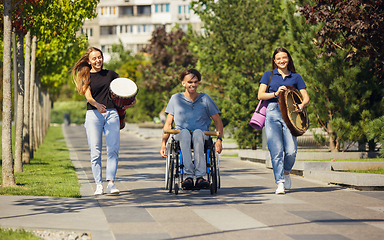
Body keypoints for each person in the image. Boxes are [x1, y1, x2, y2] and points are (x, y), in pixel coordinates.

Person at [72, 47, 135, 195]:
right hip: (93, 115)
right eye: (94, 58)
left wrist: (130, 100)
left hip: (112, 113)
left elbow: (123, 89)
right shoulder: (85, 75)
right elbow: (88, 96)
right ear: (89, 61)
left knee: (113, 149)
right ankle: (98, 185)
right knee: (95, 152)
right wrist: (97, 105)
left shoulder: (111, 74)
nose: (97, 60)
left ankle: (111, 183)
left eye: (99, 57)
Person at [160, 69, 224, 190]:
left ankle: (200, 176)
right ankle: (188, 176)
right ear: (183, 83)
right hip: (181, 135)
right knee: (184, 133)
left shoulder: (205, 99)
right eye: (190, 82)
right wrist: (163, 143)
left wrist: (219, 140)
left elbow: (218, 122)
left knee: (197, 133)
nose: (193, 85)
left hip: (202, 135)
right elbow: (168, 124)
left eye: (195, 82)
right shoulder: (175, 99)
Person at [257, 47, 309, 194]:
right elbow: (260, 95)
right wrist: (275, 93)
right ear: (274, 60)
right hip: (272, 112)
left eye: (284, 57)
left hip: (290, 114)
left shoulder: (296, 77)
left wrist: (302, 104)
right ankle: (279, 182)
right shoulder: (269, 75)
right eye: (278, 58)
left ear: (288, 59)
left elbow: (306, 97)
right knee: (276, 150)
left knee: (291, 151)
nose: (282, 60)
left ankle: (286, 172)